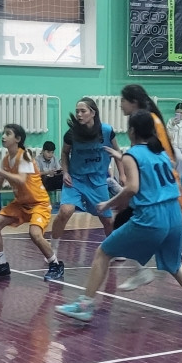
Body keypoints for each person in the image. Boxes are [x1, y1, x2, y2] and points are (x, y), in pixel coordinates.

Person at [54, 111, 182, 322]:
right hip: (173, 215)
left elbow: (132, 187)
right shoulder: (160, 153)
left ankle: (85, 305)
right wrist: (120, 158)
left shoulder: (132, 155)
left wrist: (109, 203)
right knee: (174, 265)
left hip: (152, 217)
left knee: (103, 253)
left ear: (131, 131)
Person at [117, 85, 182, 294]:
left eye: (123, 100)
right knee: (129, 222)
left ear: (133, 101)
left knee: (172, 236)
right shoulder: (144, 120)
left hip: (162, 187)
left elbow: (168, 157)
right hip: (155, 186)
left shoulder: (150, 121)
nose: (120, 104)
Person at [0, 123, 64, 281]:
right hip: (20, 203)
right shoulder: (6, 160)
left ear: (17, 139)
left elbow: (21, 180)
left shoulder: (25, 156)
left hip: (39, 203)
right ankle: (1, 265)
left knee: (35, 234)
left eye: (8, 134)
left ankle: (55, 265)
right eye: (3, 133)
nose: (3, 136)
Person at [49, 98, 125, 258]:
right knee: (65, 211)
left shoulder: (106, 131)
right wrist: (66, 172)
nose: (79, 114)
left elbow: (117, 152)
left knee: (107, 220)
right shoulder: (71, 134)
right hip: (76, 179)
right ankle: (52, 249)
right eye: (77, 111)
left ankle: (114, 249)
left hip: (97, 181)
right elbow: (64, 153)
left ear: (93, 113)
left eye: (83, 111)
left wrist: (123, 174)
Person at [166, 102, 182, 176]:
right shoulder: (171, 121)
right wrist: (172, 125)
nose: (179, 114)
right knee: (180, 158)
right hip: (174, 145)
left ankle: (177, 176)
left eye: (181, 112)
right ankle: (179, 177)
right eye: (177, 112)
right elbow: (168, 135)